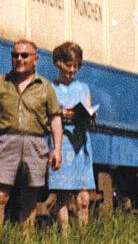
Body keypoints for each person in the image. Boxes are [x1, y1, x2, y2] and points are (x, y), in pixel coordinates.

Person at [0, 39, 63, 230]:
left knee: (30, 199)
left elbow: (55, 119)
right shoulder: (0, 83)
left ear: (35, 59)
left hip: (36, 144)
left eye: (24, 55)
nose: (19, 59)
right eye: (15, 55)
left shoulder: (45, 87)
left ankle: (27, 238)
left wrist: (57, 149)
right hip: (5, 143)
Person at [48, 42, 95, 231]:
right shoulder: (50, 88)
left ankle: (83, 235)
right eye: (69, 65)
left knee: (83, 197)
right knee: (63, 196)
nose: (73, 70)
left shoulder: (83, 88)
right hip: (61, 144)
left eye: (76, 66)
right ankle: (65, 235)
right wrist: (61, 113)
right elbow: (45, 115)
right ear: (58, 63)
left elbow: (88, 113)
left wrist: (90, 115)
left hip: (80, 146)